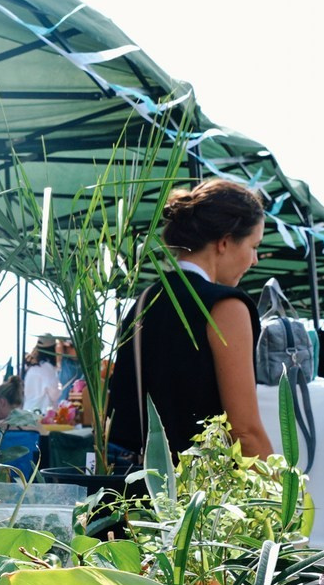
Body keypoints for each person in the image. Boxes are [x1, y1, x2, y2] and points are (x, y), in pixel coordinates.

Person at [102, 178, 277, 460]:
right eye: (253, 246)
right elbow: (244, 432)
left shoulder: (145, 299)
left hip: (128, 486)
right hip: (193, 491)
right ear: (224, 242)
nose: (254, 260)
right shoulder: (226, 307)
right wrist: (284, 495)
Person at [20, 336, 64, 416]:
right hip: (40, 415)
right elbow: (55, 394)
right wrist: (60, 387)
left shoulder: (31, 368)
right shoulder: (47, 368)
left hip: (27, 412)